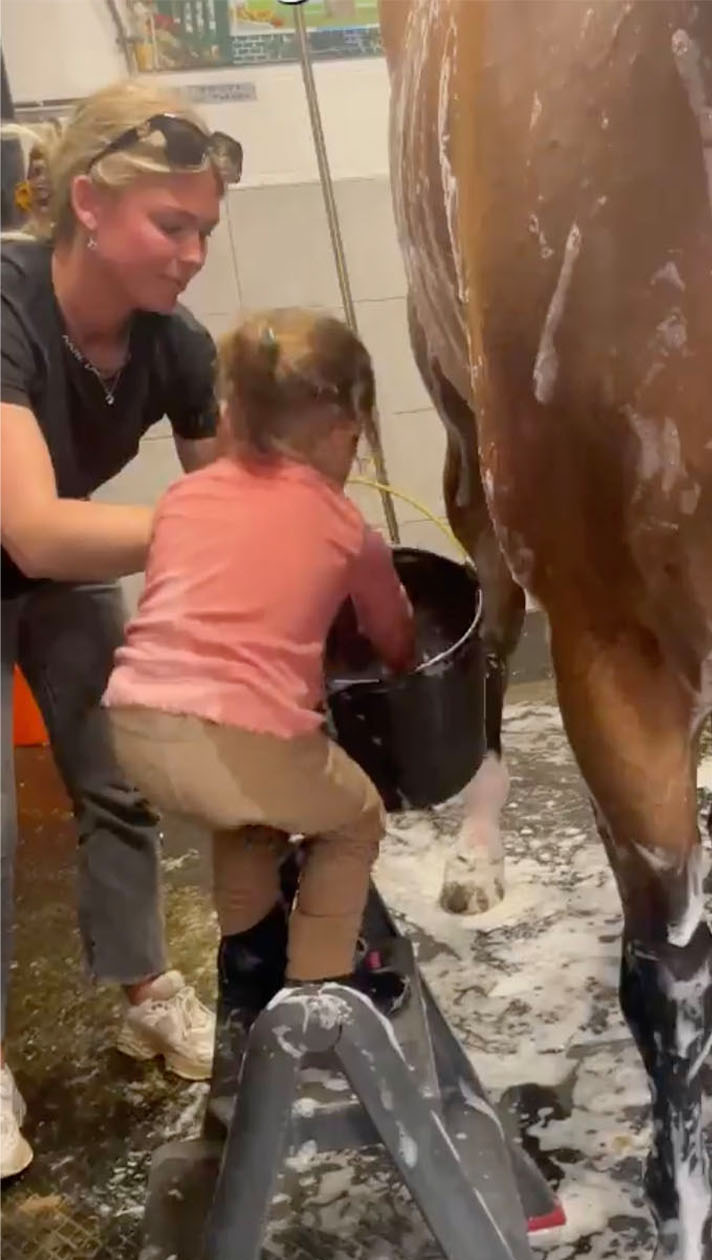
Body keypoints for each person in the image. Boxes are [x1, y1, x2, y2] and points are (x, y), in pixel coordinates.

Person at [0, 81, 244, 1177]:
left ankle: (144, 990)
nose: (191, 253)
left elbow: (233, 502)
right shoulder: (6, 307)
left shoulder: (173, 341)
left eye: (205, 229)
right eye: (171, 225)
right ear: (88, 203)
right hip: (34, 543)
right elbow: (37, 531)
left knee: (119, 771)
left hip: (53, 572)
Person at [103, 308, 417, 1051]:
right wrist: (400, 665)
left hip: (138, 724)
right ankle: (319, 985)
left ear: (231, 415)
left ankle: (249, 961)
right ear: (344, 430)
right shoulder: (343, 525)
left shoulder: (183, 498)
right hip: (243, 734)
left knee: (247, 817)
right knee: (354, 818)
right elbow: (393, 632)